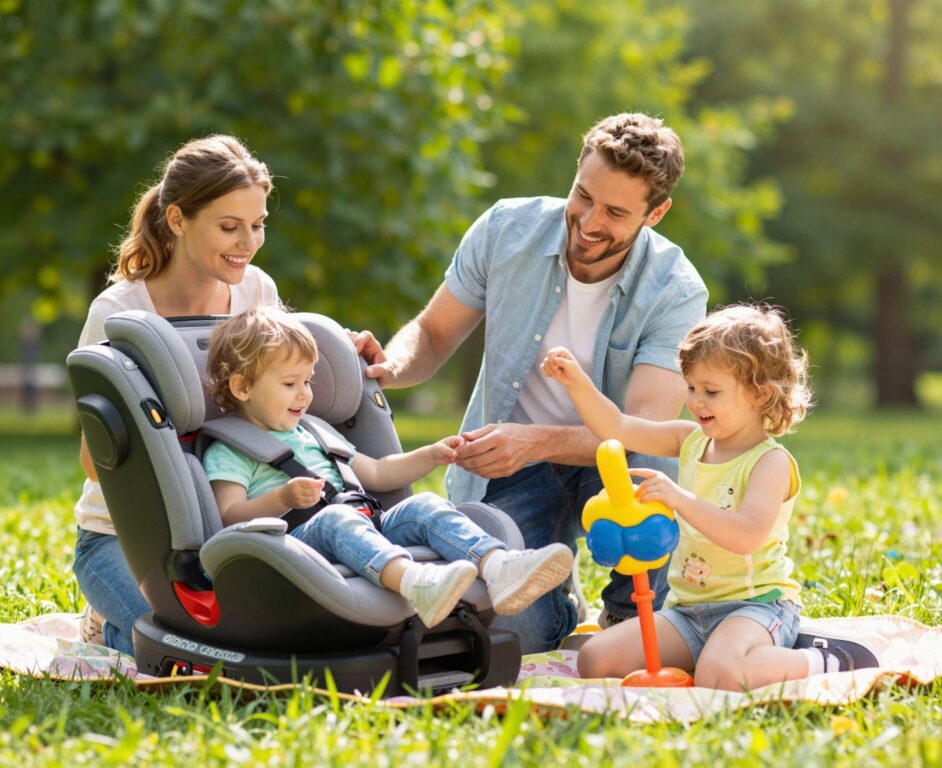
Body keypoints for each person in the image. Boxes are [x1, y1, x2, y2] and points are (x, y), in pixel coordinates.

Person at [352, 113, 708, 652]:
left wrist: (536, 442)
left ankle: (626, 619)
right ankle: (564, 612)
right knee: (512, 631)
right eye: (582, 196)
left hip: (612, 466)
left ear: (655, 213)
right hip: (511, 470)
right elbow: (433, 333)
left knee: (651, 461)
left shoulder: (675, 290)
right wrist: (390, 365)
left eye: (615, 212)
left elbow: (645, 432)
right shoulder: (505, 230)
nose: (588, 222)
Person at [542, 304, 868, 689]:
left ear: (760, 395)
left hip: (755, 607)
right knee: (596, 659)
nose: (696, 401)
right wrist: (577, 383)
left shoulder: (770, 462)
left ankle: (819, 659)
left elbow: (745, 536)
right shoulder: (689, 441)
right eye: (692, 387)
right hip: (689, 611)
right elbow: (618, 427)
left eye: (711, 391)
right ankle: (725, 654)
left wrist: (680, 499)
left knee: (722, 675)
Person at [203, 306, 574, 628]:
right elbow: (228, 518)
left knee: (424, 506)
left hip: (363, 523)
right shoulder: (231, 451)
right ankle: (417, 583)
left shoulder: (315, 433)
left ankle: (499, 568)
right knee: (337, 519)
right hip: (294, 548)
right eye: (289, 383)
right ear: (241, 387)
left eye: (307, 381)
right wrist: (282, 498)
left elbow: (378, 473)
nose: (304, 394)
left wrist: (428, 455)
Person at [74, 135, 280, 654]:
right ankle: (105, 621)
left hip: (227, 525)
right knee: (190, 648)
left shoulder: (258, 293)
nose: (248, 243)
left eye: (257, 225)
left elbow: (288, 393)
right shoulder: (118, 311)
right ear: (178, 219)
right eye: (229, 227)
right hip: (125, 540)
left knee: (260, 641)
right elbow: (94, 462)